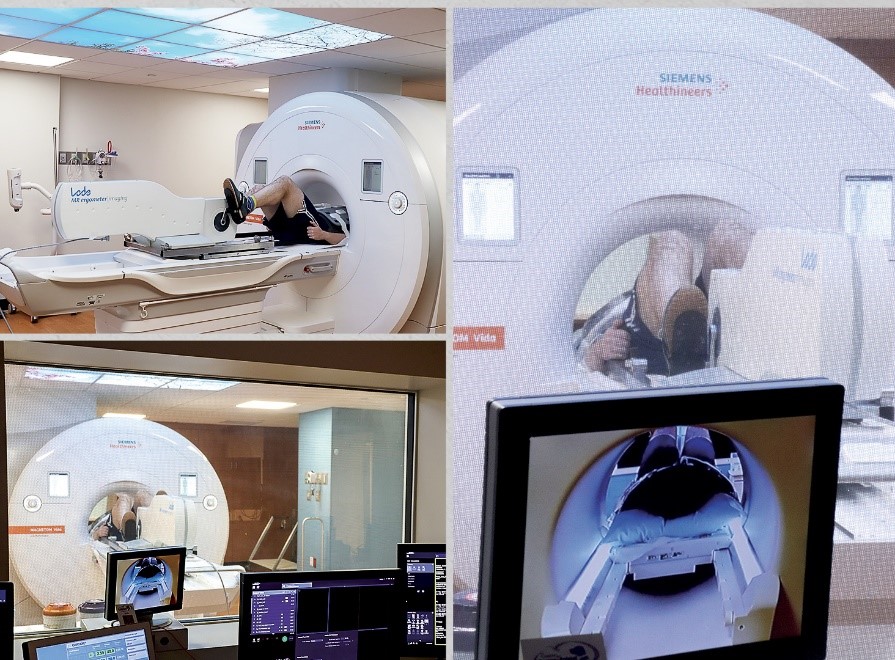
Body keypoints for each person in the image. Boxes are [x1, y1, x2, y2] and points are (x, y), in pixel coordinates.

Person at [575, 220, 755, 379]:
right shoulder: (618, 314)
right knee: (672, 241)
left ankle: (690, 337)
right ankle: (684, 351)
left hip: (713, 331)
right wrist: (597, 352)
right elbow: (575, 366)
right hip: (651, 340)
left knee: (729, 234)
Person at [223, 176, 348, 246]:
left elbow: (347, 239)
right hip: (287, 230)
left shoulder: (357, 220)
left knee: (286, 183)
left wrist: (323, 235)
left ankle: (245, 204)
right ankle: (241, 207)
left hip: (312, 230)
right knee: (259, 188)